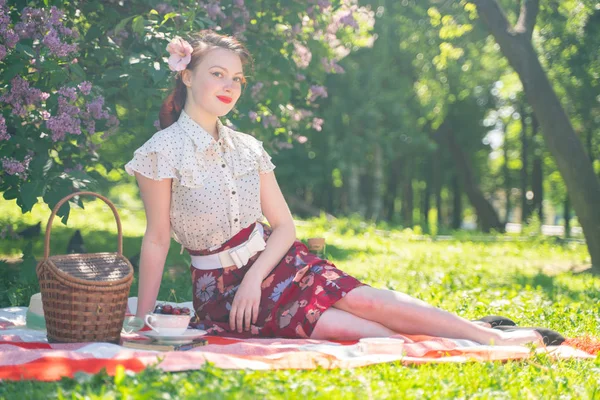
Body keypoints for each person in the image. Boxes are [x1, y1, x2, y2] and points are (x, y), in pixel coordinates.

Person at [124, 30, 543, 346]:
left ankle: (490, 338)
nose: (230, 86)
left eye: (237, 78)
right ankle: (471, 337)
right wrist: (143, 322)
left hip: (276, 261)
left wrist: (256, 277)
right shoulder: (160, 152)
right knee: (361, 332)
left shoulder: (248, 147)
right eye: (218, 74)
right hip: (223, 292)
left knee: (371, 302)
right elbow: (158, 239)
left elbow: (284, 226)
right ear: (187, 76)